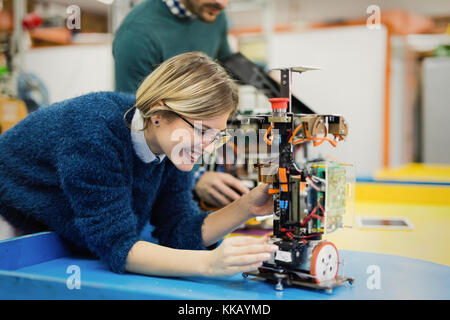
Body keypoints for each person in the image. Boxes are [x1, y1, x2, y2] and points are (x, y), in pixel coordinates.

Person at [0, 52, 278, 277]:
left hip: (56, 232)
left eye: (216, 137)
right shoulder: (94, 132)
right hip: (10, 221)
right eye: (202, 131)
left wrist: (246, 207)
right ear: (158, 113)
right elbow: (118, 247)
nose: (206, 146)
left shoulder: (172, 147)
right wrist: (209, 264)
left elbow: (177, 230)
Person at [113, 0, 248, 208]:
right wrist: (197, 177)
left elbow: (229, 66)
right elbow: (141, 119)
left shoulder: (213, 13)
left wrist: (271, 81)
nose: (222, 3)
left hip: (183, 152)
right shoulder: (137, 33)